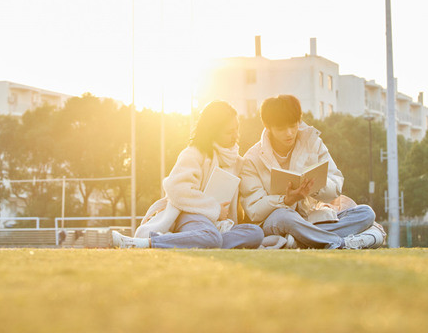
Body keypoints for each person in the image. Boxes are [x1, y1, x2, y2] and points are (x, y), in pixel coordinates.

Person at [239, 94, 385, 249]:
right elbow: (254, 209)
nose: (289, 133)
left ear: (299, 120)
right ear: (268, 127)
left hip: (310, 218)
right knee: (284, 217)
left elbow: (336, 184)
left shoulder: (313, 142)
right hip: (276, 220)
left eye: (293, 125)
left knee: (366, 213)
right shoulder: (252, 158)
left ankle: (301, 239)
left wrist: (315, 187)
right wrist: (285, 201)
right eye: (281, 128)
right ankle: (341, 243)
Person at [112, 100, 264, 249]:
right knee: (212, 237)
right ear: (213, 132)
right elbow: (177, 189)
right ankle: (149, 243)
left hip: (217, 224)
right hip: (188, 215)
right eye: (229, 132)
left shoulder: (238, 162)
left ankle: (198, 240)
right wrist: (215, 209)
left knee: (255, 233)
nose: (235, 135)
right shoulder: (194, 153)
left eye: (237, 129)